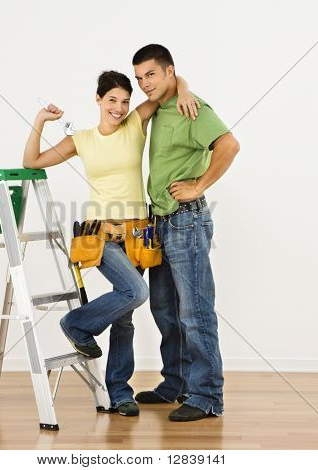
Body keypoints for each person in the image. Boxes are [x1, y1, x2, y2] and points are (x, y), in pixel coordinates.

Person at [23, 70, 198, 417]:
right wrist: (41, 119)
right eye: (112, 100)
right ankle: (75, 324)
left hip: (138, 237)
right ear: (98, 100)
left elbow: (169, 84)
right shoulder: (83, 139)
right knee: (135, 292)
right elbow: (32, 161)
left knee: (125, 318)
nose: (119, 108)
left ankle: (120, 392)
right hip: (101, 238)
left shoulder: (135, 124)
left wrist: (186, 91)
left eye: (124, 101)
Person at [132, 44, 240, 422]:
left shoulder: (192, 108)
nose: (145, 83)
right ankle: (175, 384)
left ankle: (207, 395)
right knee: (164, 308)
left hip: (186, 220)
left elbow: (229, 145)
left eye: (151, 74)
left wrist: (198, 185)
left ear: (168, 71)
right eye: (139, 77)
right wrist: (181, 85)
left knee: (195, 312)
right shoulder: (162, 106)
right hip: (160, 221)